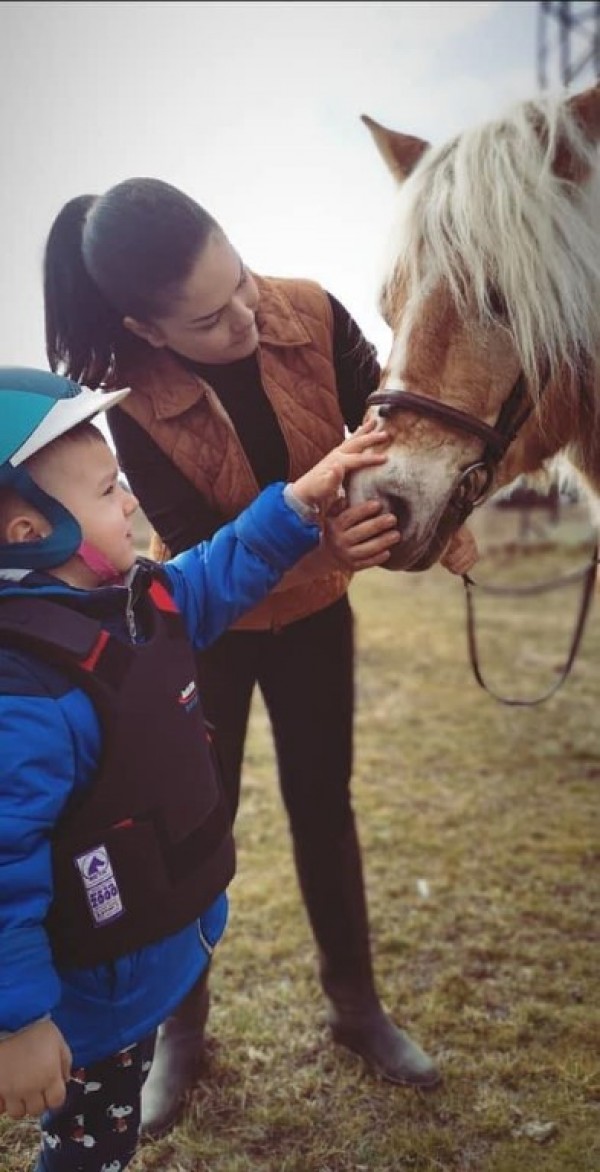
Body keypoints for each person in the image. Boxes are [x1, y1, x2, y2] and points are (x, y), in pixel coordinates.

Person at [42, 179, 478, 1136]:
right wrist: (323, 539)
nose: (245, 316)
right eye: (209, 317)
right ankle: (180, 1035)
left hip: (320, 619)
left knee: (325, 805)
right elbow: (199, 549)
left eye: (238, 278)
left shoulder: (314, 309)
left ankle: (356, 1008)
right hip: (211, 640)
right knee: (192, 829)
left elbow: (397, 427)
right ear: (147, 331)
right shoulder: (131, 408)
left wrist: (436, 526)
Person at [0, 366, 396, 1172]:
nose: (131, 504)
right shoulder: (23, 699)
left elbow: (220, 569)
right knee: (86, 1150)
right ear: (30, 531)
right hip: (79, 1011)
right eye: (110, 491)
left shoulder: (138, 606)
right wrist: (20, 1024)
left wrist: (300, 497)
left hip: (137, 974)